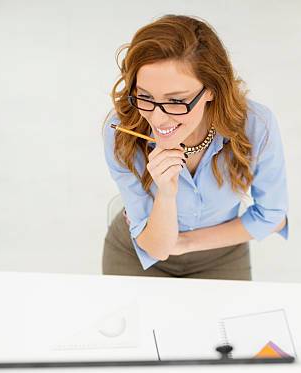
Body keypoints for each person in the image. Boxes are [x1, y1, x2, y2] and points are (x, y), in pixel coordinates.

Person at [102, 14, 288, 280]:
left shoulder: (256, 125)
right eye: (145, 96)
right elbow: (157, 247)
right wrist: (166, 193)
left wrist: (188, 243)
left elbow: (273, 216)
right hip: (138, 252)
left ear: (212, 89)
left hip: (222, 252)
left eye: (176, 101)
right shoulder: (121, 129)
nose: (157, 119)